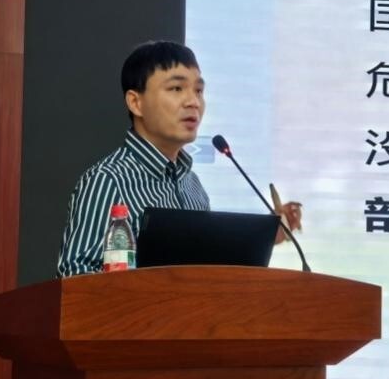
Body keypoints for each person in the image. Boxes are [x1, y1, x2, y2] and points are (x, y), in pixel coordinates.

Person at [56, 40, 302, 277]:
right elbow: (74, 278)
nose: (193, 102)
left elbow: (203, 271)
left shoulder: (193, 187)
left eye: (199, 90)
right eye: (176, 88)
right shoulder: (108, 181)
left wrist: (267, 237)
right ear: (136, 102)